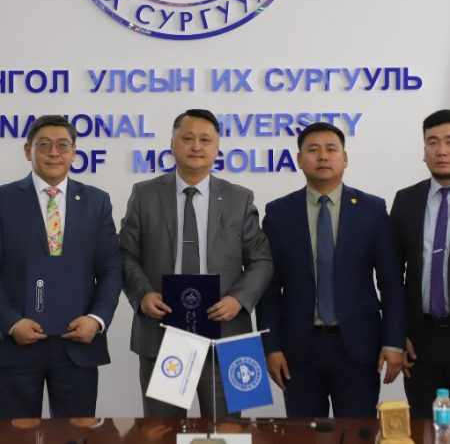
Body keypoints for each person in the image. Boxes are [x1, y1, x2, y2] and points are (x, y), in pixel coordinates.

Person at [120, 109, 273, 418]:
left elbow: (261, 260)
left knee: (227, 431)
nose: (196, 147)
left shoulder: (239, 198)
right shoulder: (144, 194)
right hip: (163, 329)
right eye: (187, 138)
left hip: (227, 332)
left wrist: (238, 300)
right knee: (162, 432)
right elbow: (125, 254)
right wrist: (143, 295)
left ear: (217, 148)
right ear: (172, 143)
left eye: (205, 140)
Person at [256, 122, 405, 417]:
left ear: (345, 158)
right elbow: (269, 288)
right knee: (304, 434)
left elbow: (391, 282)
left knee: (358, 433)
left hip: (358, 349)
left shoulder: (372, 210)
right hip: (299, 350)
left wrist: (394, 341)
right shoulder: (279, 213)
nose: (322, 156)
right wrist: (271, 346)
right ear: (299, 160)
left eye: (331, 149)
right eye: (313, 150)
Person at [0, 115, 122, 419]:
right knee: (14, 436)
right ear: (28, 151)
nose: (54, 152)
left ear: (74, 152)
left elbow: (110, 267)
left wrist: (96, 319)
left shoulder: (97, 202)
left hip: (78, 344)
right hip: (15, 345)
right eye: (44, 145)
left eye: (63, 145)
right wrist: (10, 322)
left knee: (75, 435)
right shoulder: (3, 200)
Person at [391, 109, 450, 418]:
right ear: (424, 150)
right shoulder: (406, 200)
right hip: (421, 340)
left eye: (449, 141)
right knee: (424, 427)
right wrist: (396, 332)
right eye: (433, 142)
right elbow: (391, 274)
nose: (441, 151)